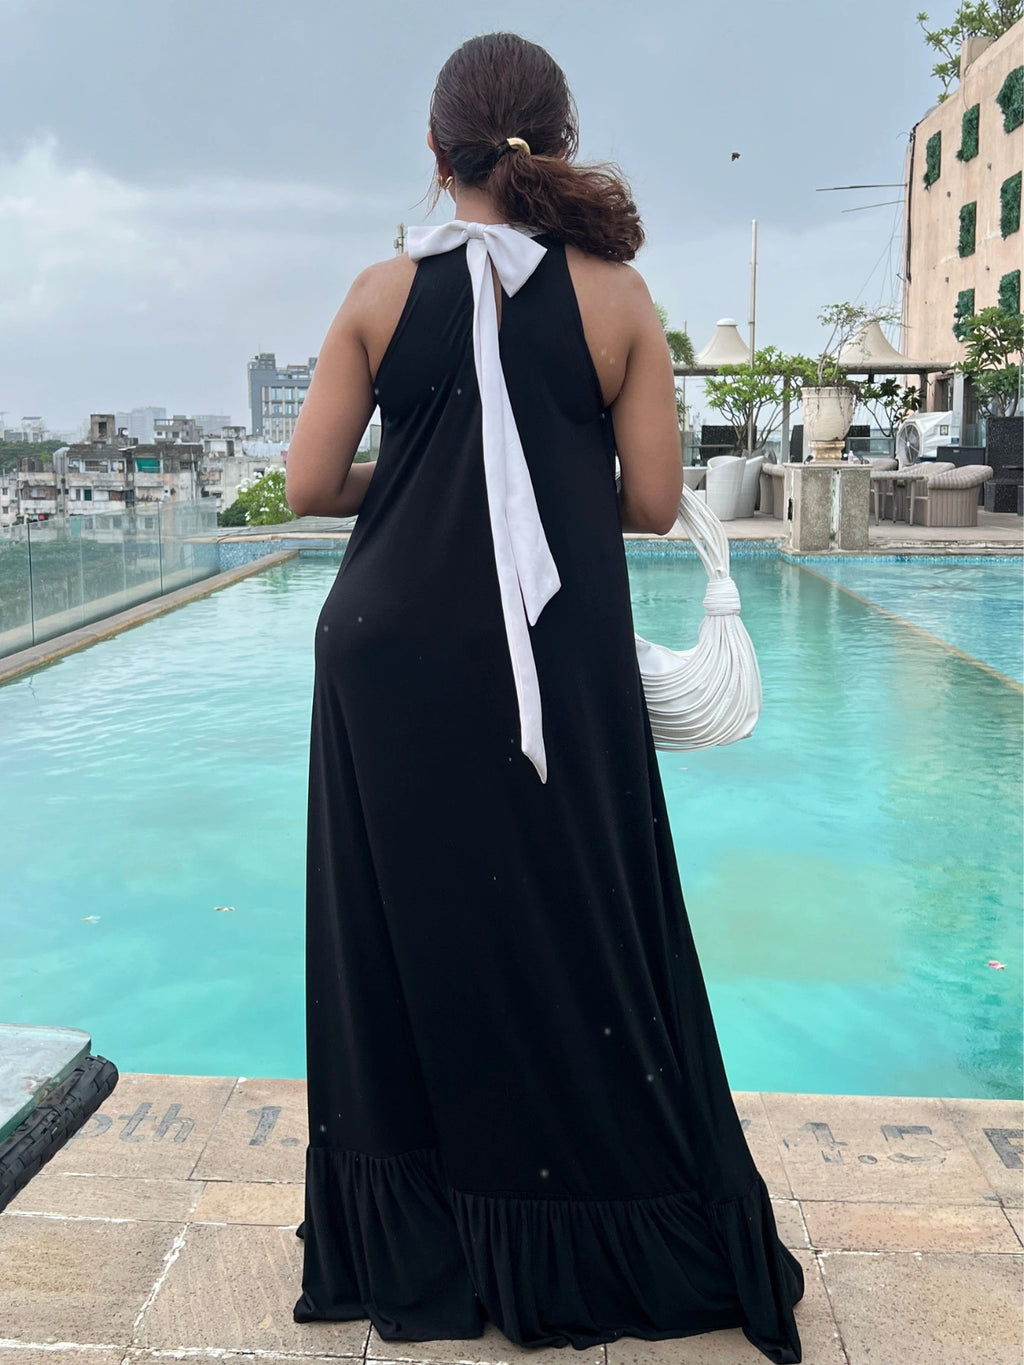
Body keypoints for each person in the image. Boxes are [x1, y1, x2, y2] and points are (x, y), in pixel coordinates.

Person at [285, 32, 804, 1364]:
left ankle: (424, 1238)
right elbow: (642, 504)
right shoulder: (622, 300)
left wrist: (425, 490)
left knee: (405, 948)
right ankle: (593, 1217)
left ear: (434, 151)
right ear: (556, 144)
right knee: (585, 935)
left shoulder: (372, 292)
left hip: (383, 655)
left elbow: (304, 487)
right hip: (553, 655)